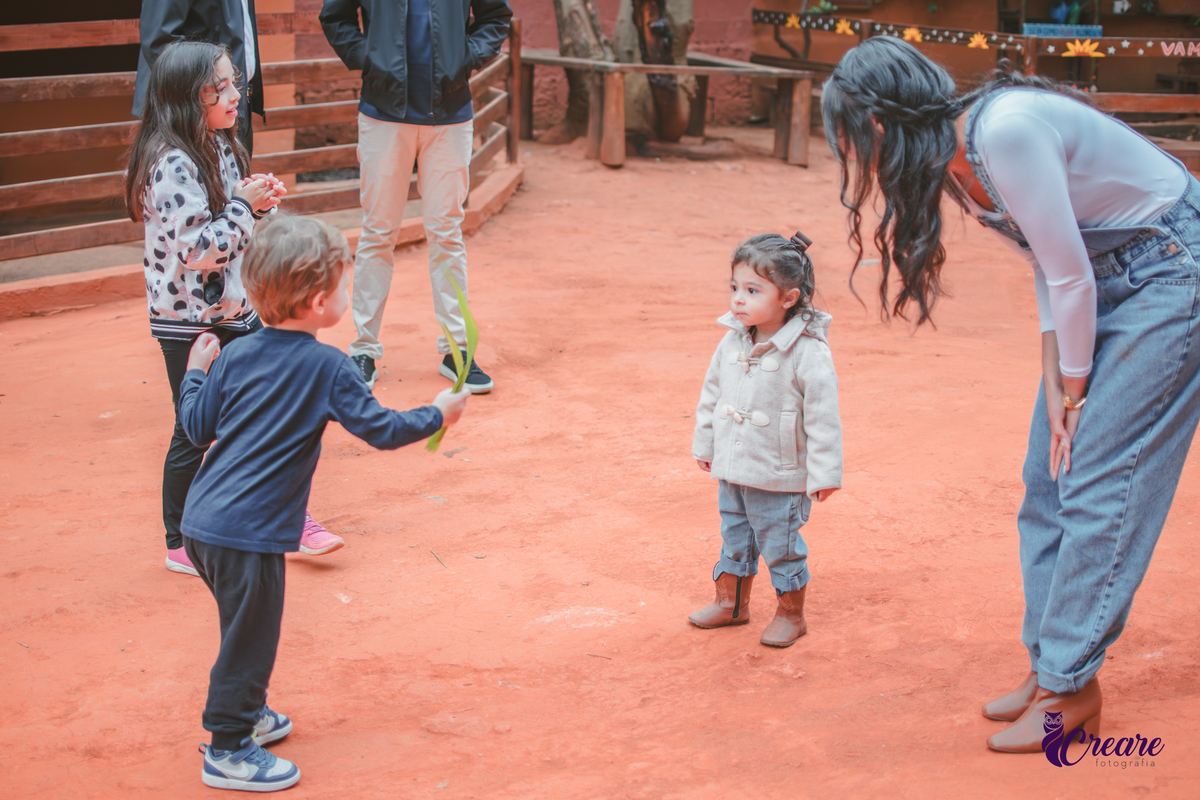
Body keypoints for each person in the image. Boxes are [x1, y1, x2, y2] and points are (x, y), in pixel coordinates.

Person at [822, 36, 1200, 753]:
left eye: (847, 134)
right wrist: (1057, 378)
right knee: (1047, 476)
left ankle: (1070, 688)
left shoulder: (1006, 132)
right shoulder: (953, 165)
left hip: (1174, 271)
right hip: (1105, 281)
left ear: (875, 121)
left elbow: (1073, 275)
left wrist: (1076, 393)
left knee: (1099, 479)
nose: (850, 153)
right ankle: (1048, 665)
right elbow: (1049, 265)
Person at [179, 215, 470, 791]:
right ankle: (229, 746)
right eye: (343, 287)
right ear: (317, 302)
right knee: (251, 638)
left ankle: (247, 712)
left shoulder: (234, 356)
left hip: (203, 523)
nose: (345, 295)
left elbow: (196, 427)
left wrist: (194, 372)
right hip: (248, 534)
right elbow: (382, 430)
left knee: (243, 627)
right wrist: (438, 413)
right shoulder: (329, 367)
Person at [124, 41, 343, 579]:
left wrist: (254, 201)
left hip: (236, 310)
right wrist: (246, 206)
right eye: (217, 88)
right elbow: (200, 250)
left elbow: (231, 224)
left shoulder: (218, 144)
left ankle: (287, 517)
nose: (234, 95)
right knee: (196, 429)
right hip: (188, 324)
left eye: (233, 83)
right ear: (185, 97)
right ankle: (179, 542)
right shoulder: (171, 164)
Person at [319, 0, 513, 392]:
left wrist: (466, 57)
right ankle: (364, 349)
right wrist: (369, 57)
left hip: (451, 115)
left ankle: (457, 350)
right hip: (383, 113)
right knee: (378, 232)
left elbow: (496, 16)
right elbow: (335, 16)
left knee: (447, 232)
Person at [689, 233, 843, 648]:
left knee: (781, 544)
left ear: (789, 298)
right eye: (735, 287)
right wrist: (706, 444)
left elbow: (824, 419)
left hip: (780, 474)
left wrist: (825, 473)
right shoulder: (733, 339)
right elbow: (712, 395)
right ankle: (731, 604)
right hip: (734, 467)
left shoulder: (809, 352)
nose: (739, 299)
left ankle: (792, 615)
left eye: (753, 290)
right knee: (735, 535)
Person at [134, 0, 264, 156]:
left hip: (232, 103)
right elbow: (159, 40)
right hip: (191, 112)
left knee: (234, 168)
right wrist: (200, 99)